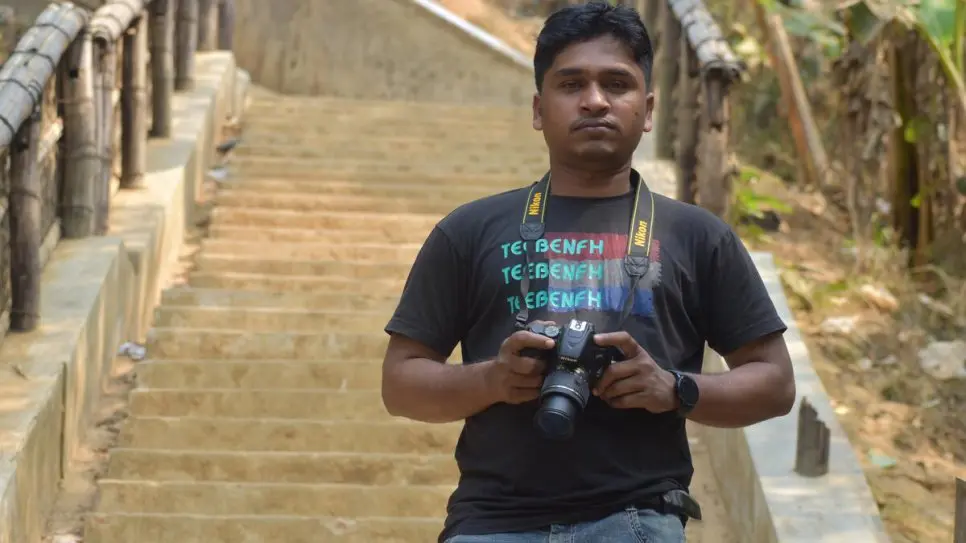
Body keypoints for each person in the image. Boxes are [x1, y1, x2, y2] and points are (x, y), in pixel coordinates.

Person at [381, 2, 796, 542]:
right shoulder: (468, 231)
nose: (595, 100)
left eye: (616, 84)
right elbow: (399, 383)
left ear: (647, 111)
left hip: (637, 518)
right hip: (491, 521)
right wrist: (494, 379)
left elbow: (776, 382)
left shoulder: (698, 236)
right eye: (571, 83)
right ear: (538, 107)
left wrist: (673, 388)